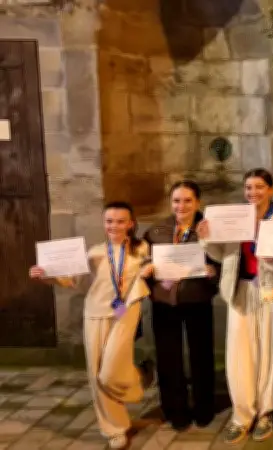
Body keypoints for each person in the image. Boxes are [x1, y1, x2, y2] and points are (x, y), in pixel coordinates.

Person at [29, 202, 153, 449]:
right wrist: (45, 276)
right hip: (95, 313)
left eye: (120, 221)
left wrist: (151, 268)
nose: (114, 226)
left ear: (130, 223)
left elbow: (157, 268)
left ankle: (139, 379)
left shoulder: (142, 249)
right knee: (97, 375)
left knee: (111, 371)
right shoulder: (93, 253)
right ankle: (115, 429)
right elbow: (70, 281)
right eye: (109, 221)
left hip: (126, 311)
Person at [197, 169, 273, 444]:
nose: (253, 192)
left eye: (259, 187)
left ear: (271, 190)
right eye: (249, 187)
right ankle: (242, 414)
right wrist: (206, 238)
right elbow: (221, 255)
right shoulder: (235, 218)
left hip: (270, 289)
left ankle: (268, 411)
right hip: (240, 290)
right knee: (240, 353)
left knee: (271, 352)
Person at [142, 180, 220, 431]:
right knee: (168, 358)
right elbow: (142, 260)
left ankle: (204, 408)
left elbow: (224, 260)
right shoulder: (157, 230)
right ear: (170, 202)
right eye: (176, 200)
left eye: (188, 200)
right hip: (165, 302)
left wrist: (213, 272)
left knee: (201, 355)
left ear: (198, 202)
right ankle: (175, 410)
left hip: (197, 299)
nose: (181, 206)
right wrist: (147, 271)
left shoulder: (208, 228)